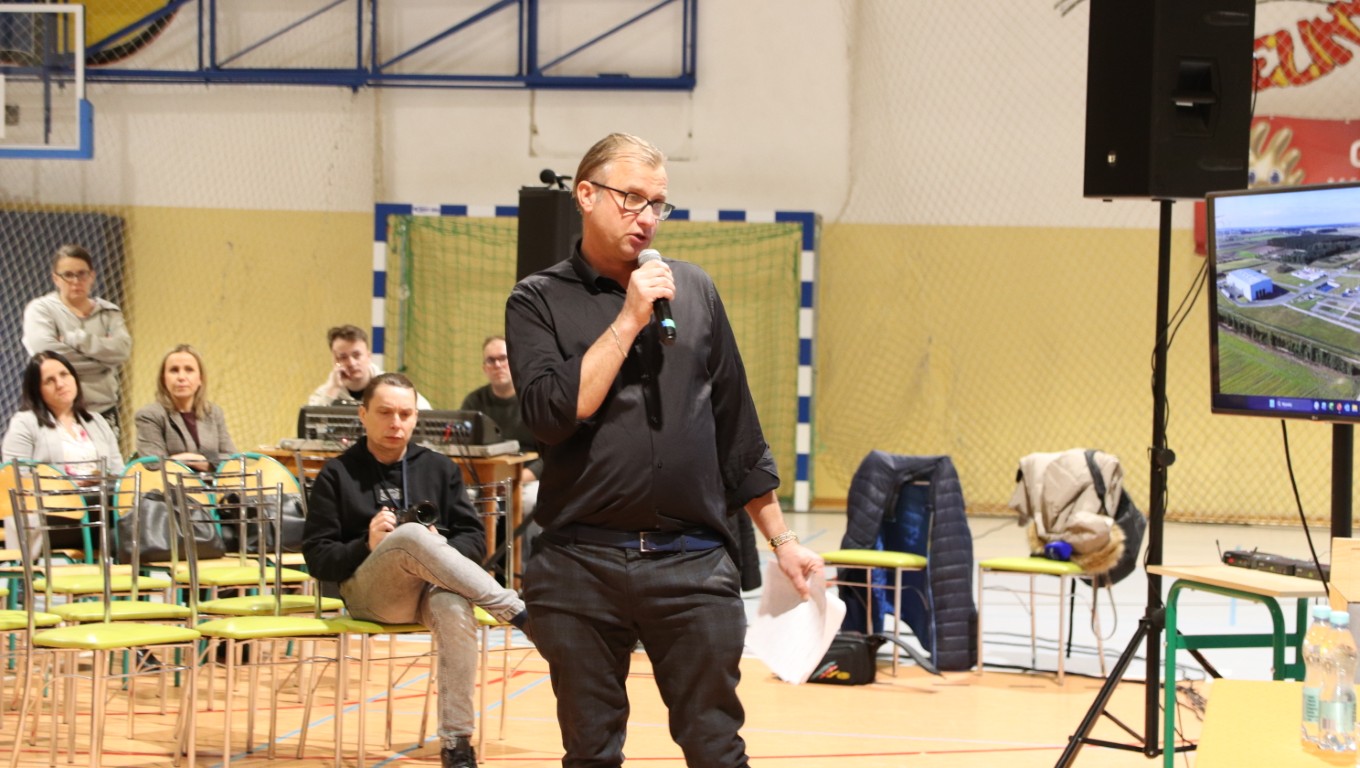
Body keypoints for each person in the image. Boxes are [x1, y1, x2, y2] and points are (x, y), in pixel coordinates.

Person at [505, 132, 823, 767]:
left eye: (658, 203)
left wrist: (783, 541)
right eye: (631, 198)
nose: (647, 216)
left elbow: (737, 426)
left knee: (717, 748)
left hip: (692, 565)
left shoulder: (694, 290)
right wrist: (628, 319)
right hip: (579, 565)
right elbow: (552, 414)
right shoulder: (537, 300)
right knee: (591, 752)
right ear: (586, 195)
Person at [301, 372, 527, 768]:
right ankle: (515, 609)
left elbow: (475, 540)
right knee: (409, 535)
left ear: (416, 418)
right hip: (369, 594)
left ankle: (457, 744)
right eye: (385, 412)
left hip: (429, 592)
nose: (396, 423)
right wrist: (367, 544)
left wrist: (436, 548)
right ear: (362, 415)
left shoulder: (439, 467)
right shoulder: (337, 473)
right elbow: (318, 559)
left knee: (454, 607)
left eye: (405, 414)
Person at [2, 351, 125, 550]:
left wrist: (102, 478)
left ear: (74, 378)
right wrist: (69, 485)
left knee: (133, 518)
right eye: (49, 381)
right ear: (37, 390)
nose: (60, 384)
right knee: (117, 533)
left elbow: (119, 474)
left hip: (98, 506)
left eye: (64, 375)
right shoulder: (24, 423)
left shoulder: (97, 422)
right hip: (51, 515)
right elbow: (15, 480)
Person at [22, 244, 133, 432]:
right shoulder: (41, 310)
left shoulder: (109, 312)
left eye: (82, 274)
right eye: (68, 275)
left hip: (102, 411)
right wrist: (103, 362)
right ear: (56, 278)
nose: (75, 281)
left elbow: (122, 350)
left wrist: (75, 339)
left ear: (92, 276)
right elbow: (47, 358)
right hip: (53, 412)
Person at [460, 335, 542, 512]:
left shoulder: (535, 400)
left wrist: (516, 479)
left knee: (531, 501)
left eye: (503, 358)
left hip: (527, 479)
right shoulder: (473, 403)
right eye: (491, 360)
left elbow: (550, 455)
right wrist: (488, 482)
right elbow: (463, 451)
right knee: (463, 501)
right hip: (484, 481)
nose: (497, 365)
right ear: (484, 368)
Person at [133, 344, 237, 472]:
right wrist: (198, 462)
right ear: (163, 379)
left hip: (214, 484)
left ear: (200, 379)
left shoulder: (214, 413)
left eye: (189, 370)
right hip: (171, 484)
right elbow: (153, 465)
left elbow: (233, 460)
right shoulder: (149, 415)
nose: (181, 377)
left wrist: (198, 461)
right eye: (174, 370)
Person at [308, 324, 431, 409]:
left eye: (356, 355)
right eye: (343, 357)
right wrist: (333, 389)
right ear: (334, 360)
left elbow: (426, 412)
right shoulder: (325, 393)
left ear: (368, 356)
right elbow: (310, 424)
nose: (351, 363)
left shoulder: (392, 387)